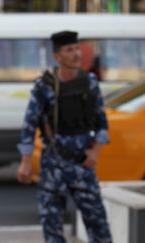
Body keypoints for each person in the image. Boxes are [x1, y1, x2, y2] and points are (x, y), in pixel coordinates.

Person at [16, 31, 112, 243]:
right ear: (58, 57)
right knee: (52, 228)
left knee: (99, 227)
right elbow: (29, 124)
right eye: (69, 50)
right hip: (54, 165)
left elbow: (102, 123)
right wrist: (25, 162)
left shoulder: (90, 83)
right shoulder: (45, 87)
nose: (76, 54)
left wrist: (95, 152)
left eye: (77, 48)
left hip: (83, 166)